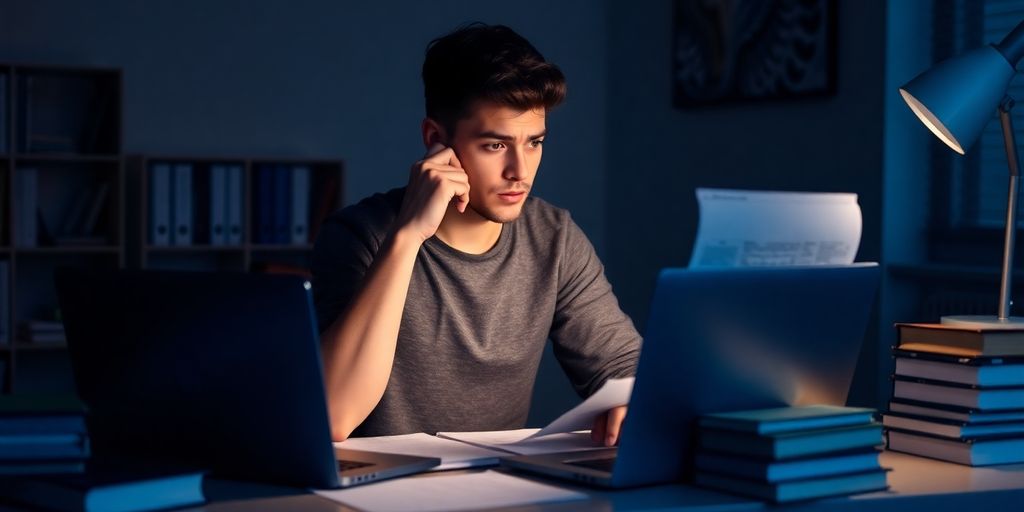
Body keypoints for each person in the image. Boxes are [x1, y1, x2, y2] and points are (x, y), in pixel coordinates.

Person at [311, 23, 641, 445]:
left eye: (534, 142)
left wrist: (632, 398)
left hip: (496, 491)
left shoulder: (554, 238)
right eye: (495, 145)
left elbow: (625, 367)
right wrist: (409, 236)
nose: (520, 172)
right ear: (435, 140)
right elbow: (333, 415)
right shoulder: (358, 236)